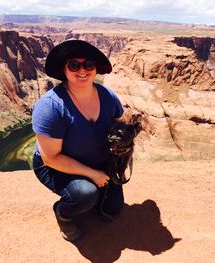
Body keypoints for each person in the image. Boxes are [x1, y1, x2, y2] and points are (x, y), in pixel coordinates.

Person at [32, 39, 125, 242]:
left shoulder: (108, 96)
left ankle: (94, 192)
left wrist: (123, 141)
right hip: (55, 166)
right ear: (64, 70)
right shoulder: (50, 107)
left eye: (88, 65)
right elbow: (51, 158)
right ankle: (63, 213)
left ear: (95, 69)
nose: (82, 70)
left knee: (114, 208)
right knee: (85, 195)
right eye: (74, 65)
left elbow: (121, 122)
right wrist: (93, 174)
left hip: (97, 160)